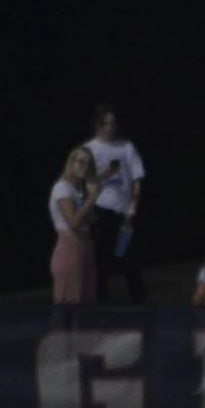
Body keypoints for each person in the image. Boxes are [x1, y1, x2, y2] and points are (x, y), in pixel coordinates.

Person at [84, 103, 147, 303]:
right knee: (102, 262)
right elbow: (86, 180)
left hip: (124, 212)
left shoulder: (126, 147)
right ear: (97, 125)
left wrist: (133, 207)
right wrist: (106, 173)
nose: (110, 128)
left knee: (130, 259)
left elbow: (137, 178)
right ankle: (102, 307)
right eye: (106, 124)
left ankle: (140, 305)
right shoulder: (89, 149)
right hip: (101, 210)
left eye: (113, 124)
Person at [48, 145, 100, 303]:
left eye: (88, 164)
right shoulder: (62, 188)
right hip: (70, 248)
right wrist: (92, 199)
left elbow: (92, 219)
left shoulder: (79, 190)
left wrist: (89, 199)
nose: (85, 167)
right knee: (70, 303)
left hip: (85, 246)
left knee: (86, 300)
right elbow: (74, 223)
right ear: (71, 163)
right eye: (80, 162)